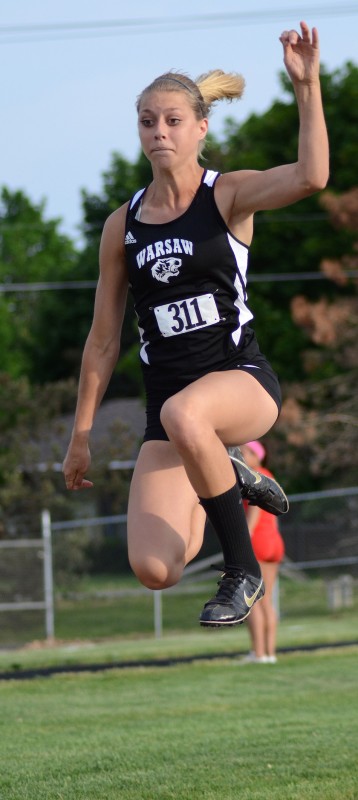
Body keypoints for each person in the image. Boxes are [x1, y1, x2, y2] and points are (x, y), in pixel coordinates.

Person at [62, 21, 329, 627]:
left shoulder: (227, 195)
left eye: (173, 120)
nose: (159, 131)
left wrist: (307, 88)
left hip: (241, 383)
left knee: (191, 414)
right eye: (148, 121)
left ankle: (244, 572)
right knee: (156, 569)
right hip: (170, 412)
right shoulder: (121, 225)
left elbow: (312, 177)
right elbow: (103, 340)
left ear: (201, 127)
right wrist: (80, 435)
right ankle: (223, 472)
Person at [236, 441, 285, 663]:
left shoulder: (255, 478)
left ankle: (258, 653)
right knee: (267, 602)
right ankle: (270, 653)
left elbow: (253, 520)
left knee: (253, 600)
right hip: (274, 543)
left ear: (258, 456)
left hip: (259, 542)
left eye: (246, 452)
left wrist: (238, 544)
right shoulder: (270, 476)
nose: (242, 456)